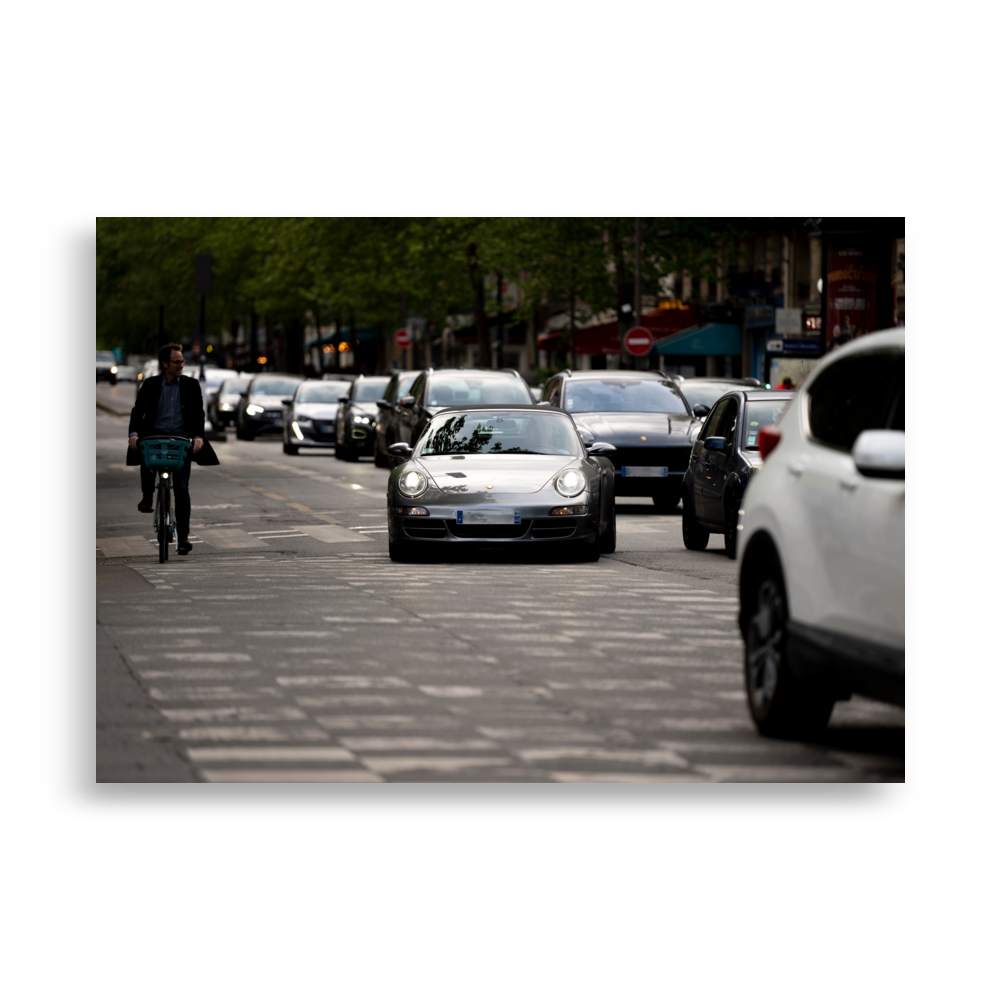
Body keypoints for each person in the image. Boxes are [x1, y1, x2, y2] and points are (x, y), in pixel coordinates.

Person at [127, 344, 220, 555]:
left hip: (181, 441)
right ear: (165, 364)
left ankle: (184, 536)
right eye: (177, 362)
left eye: (182, 362)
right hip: (153, 437)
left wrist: (198, 436)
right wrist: (133, 433)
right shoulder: (150, 384)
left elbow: (198, 413)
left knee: (182, 489)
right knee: (145, 454)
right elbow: (138, 410)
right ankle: (147, 496)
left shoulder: (191, 385)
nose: (181, 366)